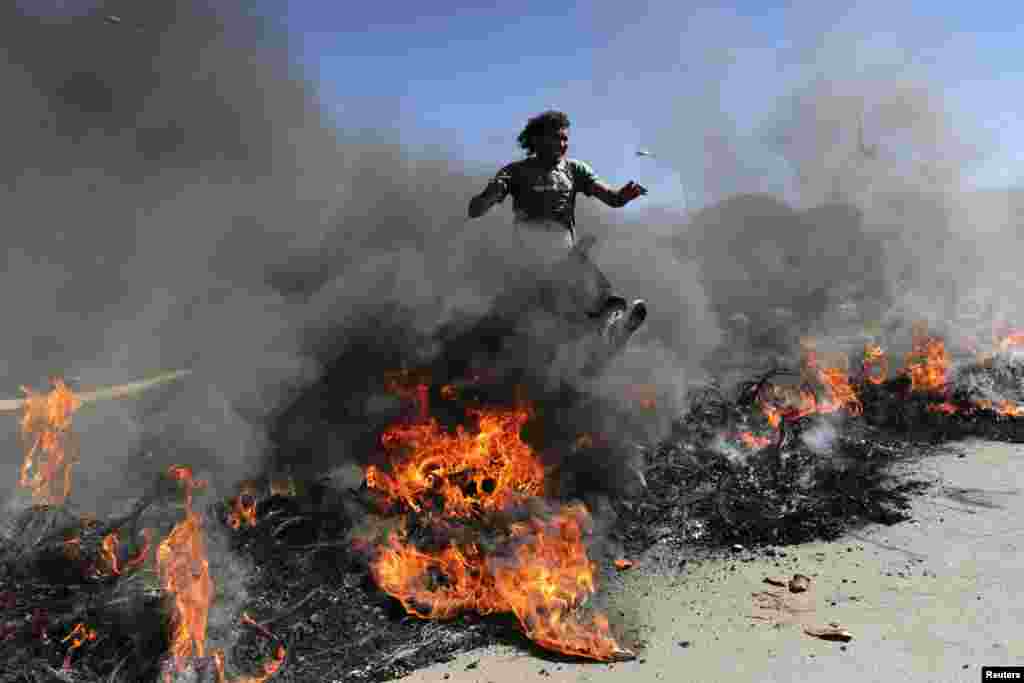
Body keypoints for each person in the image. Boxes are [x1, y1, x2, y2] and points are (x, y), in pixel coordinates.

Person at [467, 110, 648, 360]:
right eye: (557, 138)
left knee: (604, 299)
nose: (563, 144)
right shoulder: (515, 171)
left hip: (566, 255)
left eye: (565, 139)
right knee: (532, 323)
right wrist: (488, 198)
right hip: (528, 259)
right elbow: (480, 205)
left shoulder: (575, 170)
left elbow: (612, 198)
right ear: (538, 139)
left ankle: (614, 331)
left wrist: (624, 196)